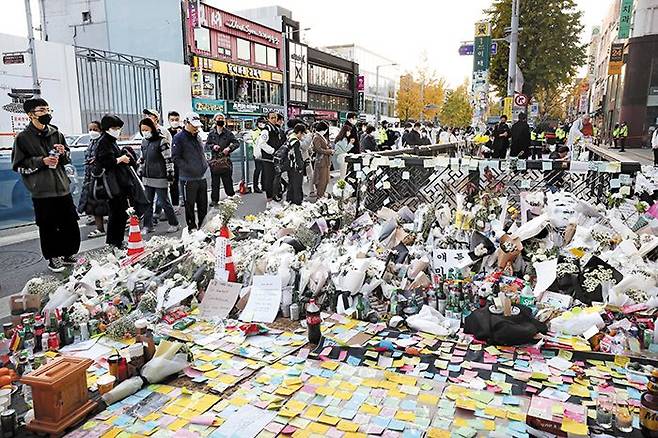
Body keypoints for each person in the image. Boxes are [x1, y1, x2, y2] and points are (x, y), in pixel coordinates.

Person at [11, 97, 80, 272]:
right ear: (30, 115)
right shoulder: (23, 138)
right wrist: (41, 161)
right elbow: (18, 165)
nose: (46, 113)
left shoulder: (56, 133)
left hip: (62, 187)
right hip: (42, 190)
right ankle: (53, 257)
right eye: (41, 110)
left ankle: (69, 253)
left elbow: (66, 159)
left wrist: (64, 153)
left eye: (48, 110)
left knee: (70, 222)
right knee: (48, 225)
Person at [95, 114, 134, 249]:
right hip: (113, 185)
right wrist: (121, 159)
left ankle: (116, 241)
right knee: (116, 213)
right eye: (114, 127)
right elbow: (107, 162)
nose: (117, 130)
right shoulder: (104, 142)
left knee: (120, 213)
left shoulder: (110, 140)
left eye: (118, 128)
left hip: (118, 183)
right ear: (107, 128)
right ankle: (114, 242)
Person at [139, 117, 179, 234]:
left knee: (164, 201)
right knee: (148, 203)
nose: (144, 132)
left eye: (147, 129)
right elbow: (142, 159)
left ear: (152, 128)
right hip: (147, 177)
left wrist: (170, 175)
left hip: (160, 177)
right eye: (142, 130)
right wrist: (140, 170)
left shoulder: (162, 141)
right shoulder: (144, 142)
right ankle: (148, 225)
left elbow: (168, 159)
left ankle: (174, 223)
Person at [172, 112, 208, 230]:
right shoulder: (178, 138)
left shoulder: (197, 136)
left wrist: (204, 164)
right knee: (189, 205)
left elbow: (201, 153)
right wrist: (190, 168)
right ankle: (191, 228)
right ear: (186, 123)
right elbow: (176, 158)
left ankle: (203, 227)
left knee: (203, 205)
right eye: (194, 126)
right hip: (188, 179)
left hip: (201, 177)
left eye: (197, 126)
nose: (196, 128)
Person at [77, 120, 108, 239]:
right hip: (91, 177)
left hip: (99, 179)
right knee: (95, 204)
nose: (92, 132)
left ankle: (100, 228)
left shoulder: (101, 143)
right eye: (90, 129)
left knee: (98, 204)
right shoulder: (92, 142)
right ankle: (99, 226)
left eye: (95, 129)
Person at [206, 112, 239, 205]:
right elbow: (207, 145)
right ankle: (214, 200)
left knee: (227, 180)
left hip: (225, 160)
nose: (220, 120)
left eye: (222, 119)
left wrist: (229, 148)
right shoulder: (211, 133)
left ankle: (231, 196)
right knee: (215, 182)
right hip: (215, 161)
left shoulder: (228, 133)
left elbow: (236, 143)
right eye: (218, 119)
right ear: (215, 120)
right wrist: (213, 146)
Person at [257, 111, 282, 203]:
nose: (274, 119)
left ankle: (275, 194)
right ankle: (269, 197)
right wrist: (273, 151)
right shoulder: (266, 130)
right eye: (272, 118)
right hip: (268, 157)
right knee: (269, 177)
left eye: (275, 117)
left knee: (275, 177)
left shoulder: (275, 128)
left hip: (274, 157)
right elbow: (262, 143)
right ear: (268, 119)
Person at [286, 124, 307, 205]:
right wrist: (301, 166)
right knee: (297, 184)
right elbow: (297, 155)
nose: (303, 136)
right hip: (295, 166)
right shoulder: (296, 142)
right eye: (302, 134)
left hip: (290, 165)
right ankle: (297, 201)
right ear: (299, 132)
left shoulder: (290, 137)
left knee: (291, 183)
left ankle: (289, 199)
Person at [312, 121, 333, 198]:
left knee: (325, 179)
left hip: (325, 161)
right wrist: (329, 151)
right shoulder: (317, 137)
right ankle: (320, 195)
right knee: (321, 180)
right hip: (321, 161)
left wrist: (328, 147)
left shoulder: (320, 136)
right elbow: (318, 149)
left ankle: (322, 194)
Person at [166, 111, 183, 207]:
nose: (174, 122)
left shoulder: (183, 131)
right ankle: (175, 204)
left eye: (176, 120)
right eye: (172, 120)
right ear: (168, 120)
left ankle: (187, 201)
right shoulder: (166, 132)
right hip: (172, 161)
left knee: (186, 182)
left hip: (183, 161)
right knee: (173, 183)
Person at [251, 117, 266, 193]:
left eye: (263, 122)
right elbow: (257, 141)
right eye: (261, 122)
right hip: (257, 153)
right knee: (258, 170)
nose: (262, 124)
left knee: (264, 170)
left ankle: (264, 186)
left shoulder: (265, 131)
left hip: (264, 154)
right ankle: (255, 187)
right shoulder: (255, 131)